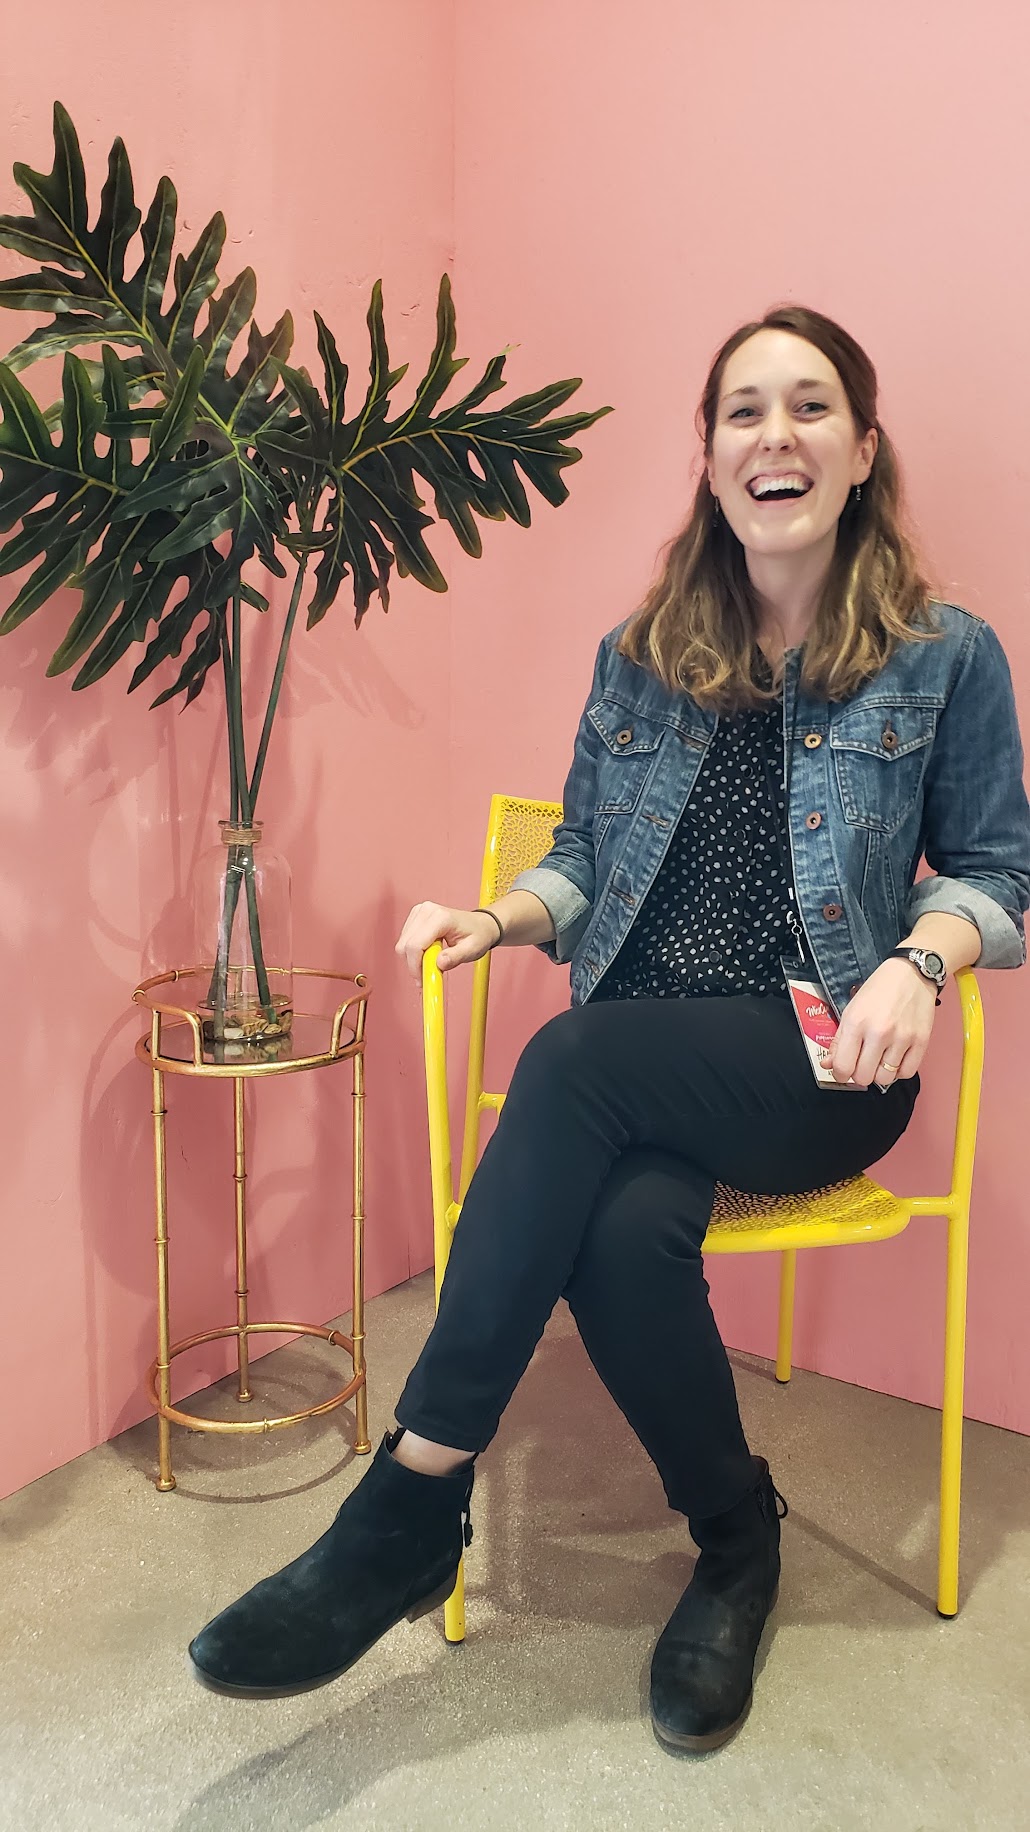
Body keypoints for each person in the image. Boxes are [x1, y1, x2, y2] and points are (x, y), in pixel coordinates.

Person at [188, 304, 1030, 1751]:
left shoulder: (941, 655)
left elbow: (998, 866)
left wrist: (924, 959)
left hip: (820, 1059)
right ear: (706, 460)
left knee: (565, 1064)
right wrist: (499, 917)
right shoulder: (641, 652)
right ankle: (735, 1540)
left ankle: (407, 1502)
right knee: (621, 1233)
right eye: (742, 412)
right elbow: (582, 854)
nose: (775, 434)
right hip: (645, 1061)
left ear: (860, 449)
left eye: (809, 406)